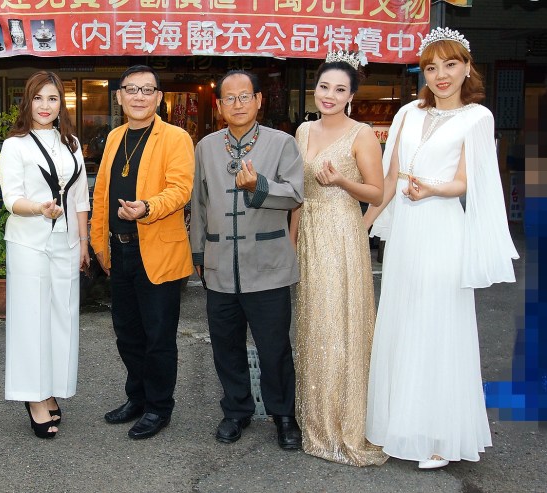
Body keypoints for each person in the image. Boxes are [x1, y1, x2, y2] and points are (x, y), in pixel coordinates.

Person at [363, 27, 518, 470]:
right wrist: (363, 224)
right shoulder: (408, 113)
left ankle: (439, 437)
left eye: (450, 64)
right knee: (402, 322)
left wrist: (433, 189)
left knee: (438, 327)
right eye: (431, 68)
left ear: (467, 68)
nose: (441, 75)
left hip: (443, 228)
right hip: (406, 234)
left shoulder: (477, 117)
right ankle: (397, 427)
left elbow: (467, 181)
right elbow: (389, 178)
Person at [189, 70, 303, 449]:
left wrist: (259, 185)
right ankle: (236, 410)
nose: (237, 104)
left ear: (258, 100)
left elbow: (295, 195)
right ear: (219, 105)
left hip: (267, 264)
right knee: (226, 346)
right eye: (229, 98)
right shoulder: (206, 147)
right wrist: (199, 252)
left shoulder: (282, 143)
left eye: (244, 97)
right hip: (221, 264)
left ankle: (283, 415)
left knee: (274, 348)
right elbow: (198, 203)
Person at [288, 52, 387, 466]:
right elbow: (297, 192)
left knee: (339, 325)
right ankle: (315, 418)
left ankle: (343, 422)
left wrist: (343, 181)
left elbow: (377, 192)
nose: (329, 95)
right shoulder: (303, 130)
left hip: (342, 233)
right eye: (324, 86)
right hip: (308, 231)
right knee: (311, 323)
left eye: (340, 89)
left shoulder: (362, 134)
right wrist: (291, 239)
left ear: (351, 96)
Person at [91, 65, 194, 440]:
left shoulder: (176, 137)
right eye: (131, 89)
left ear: (159, 97)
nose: (139, 97)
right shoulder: (115, 136)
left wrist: (147, 207)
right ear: (119, 96)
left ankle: (159, 407)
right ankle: (137, 397)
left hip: (157, 251)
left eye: (147, 90)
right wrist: (99, 243)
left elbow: (180, 189)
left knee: (158, 337)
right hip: (119, 253)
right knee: (127, 334)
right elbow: (102, 193)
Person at [0, 71, 90, 439]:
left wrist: (83, 241)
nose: (45, 105)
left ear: (61, 103)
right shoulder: (15, 145)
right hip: (29, 242)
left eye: (52, 98)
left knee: (61, 318)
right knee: (31, 320)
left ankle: (50, 388)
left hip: (67, 242)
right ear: (27, 101)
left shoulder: (71, 142)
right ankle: (34, 397)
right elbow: (11, 199)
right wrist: (40, 208)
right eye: (38, 98)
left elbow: (80, 196)